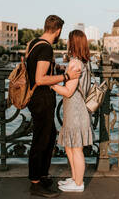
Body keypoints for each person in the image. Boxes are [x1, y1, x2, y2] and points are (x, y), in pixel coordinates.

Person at [27, 15, 81, 198]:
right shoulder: (45, 48)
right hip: (41, 100)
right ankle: (35, 183)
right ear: (58, 30)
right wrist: (66, 77)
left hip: (35, 98)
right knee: (41, 140)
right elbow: (40, 79)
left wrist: (58, 69)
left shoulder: (33, 43)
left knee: (48, 138)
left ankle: (42, 175)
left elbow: (37, 68)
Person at [51, 30, 93, 193]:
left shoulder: (75, 63)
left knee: (75, 148)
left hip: (76, 111)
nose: (67, 43)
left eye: (68, 40)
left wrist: (51, 84)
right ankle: (75, 178)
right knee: (70, 146)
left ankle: (78, 183)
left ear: (72, 43)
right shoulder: (85, 62)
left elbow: (68, 91)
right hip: (77, 109)